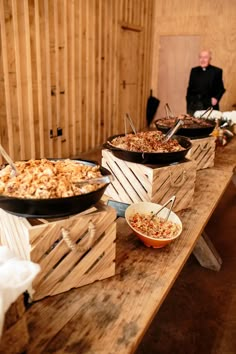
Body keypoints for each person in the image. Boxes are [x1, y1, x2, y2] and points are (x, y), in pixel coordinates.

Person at [186, 50, 226, 115]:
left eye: (205, 57)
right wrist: (189, 103)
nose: (203, 60)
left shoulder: (217, 71)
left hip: (209, 104)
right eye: (201, 57)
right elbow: (190, 88)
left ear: (210, 59)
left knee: (209, 124)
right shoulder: (194, 70)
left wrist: (216, 98)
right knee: (194, 124)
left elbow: (221, 89)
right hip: (195, 105)